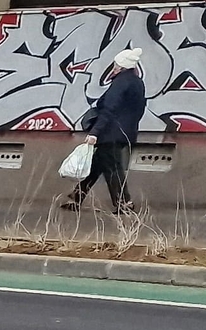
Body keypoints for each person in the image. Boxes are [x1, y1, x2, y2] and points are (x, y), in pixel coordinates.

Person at [63, 49, 147, 214]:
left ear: (122, 66)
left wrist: (95, 132)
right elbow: (139, 109)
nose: (114, 67)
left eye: (116, 65)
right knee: (97, 165)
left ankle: (124, 203)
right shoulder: (137, 83)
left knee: (113, 168)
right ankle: (77, 197)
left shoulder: (120, 83)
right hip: (126, 132)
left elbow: (108, 109)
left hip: (111, 133)